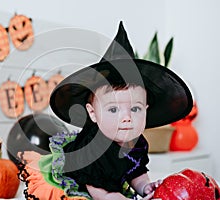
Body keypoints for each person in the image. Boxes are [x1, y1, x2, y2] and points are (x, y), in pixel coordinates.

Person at [17, 21, 193, 200]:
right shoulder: (93, 150)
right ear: (93, 113)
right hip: (89, 190)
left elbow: (135, 172)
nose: (126, 118)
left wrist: (145, 187)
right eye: (114, 109)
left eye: (135, 108)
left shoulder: (137, 143)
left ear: (146, 110)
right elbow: (102, 194)